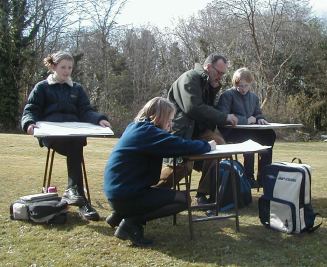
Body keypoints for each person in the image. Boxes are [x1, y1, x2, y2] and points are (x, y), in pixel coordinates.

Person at [103, 97, 216, 246]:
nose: (171, 123)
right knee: (183, 200)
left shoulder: (136, 127)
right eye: (169, 119)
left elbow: (171, 143)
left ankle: (119, 215)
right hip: (126, 194)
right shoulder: (149, 132)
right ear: (159, 117)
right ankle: (130, 222)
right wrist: (207, 146)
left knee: (167, 195)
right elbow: (180, 145)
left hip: (118, 192)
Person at [21, 51, 111, 221]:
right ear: (54, 66)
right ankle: (79, 198)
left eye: (70, 67)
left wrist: (99, 119)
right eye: (63, 67)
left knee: (75, 146)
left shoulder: (76, 88)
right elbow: (31, 109)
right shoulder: (42, 87)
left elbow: (86, 111)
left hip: (73, 135)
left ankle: (75, 193)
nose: (67, 70)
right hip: (52, 135)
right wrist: (29, 123)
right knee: (75, 149)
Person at [157, 53, 238, 205]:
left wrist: (213, 90)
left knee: (219, 145)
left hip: (197, 131)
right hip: (182, 132)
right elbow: (193, 108)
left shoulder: (207, 83)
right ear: (208, 67)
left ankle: (202, 194)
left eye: (223, 74)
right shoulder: (190, 78)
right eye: (219, 72)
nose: (220, 77)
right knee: (182, 168)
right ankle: (151, 192)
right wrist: (224, 117)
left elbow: (207, 110)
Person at [216, 67, 276, 186]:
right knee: (250, 139)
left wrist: (260, 119)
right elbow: (223, 118)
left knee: (270, 135)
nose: (243, 89)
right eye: (240, 86)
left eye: (246, 86)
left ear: (250, 84)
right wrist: (246, 120)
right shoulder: (227, 95)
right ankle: (248, 177)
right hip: (231, 132)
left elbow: (257, 113)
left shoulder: (253, 97)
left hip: (249, 130)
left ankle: (263, 176)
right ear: (235, 83)